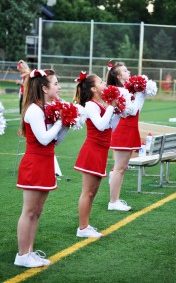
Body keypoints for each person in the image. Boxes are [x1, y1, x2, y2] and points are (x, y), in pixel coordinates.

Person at [14, 69, 68, 268]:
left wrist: (66, 125)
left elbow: (55, 141)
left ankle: (28, 251)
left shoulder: (45, 109)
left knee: (37, 211)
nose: (59, 87)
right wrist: (61, 120)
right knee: (29, 211)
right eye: (55, 84)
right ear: (45, 88)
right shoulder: (34, 110)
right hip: (35, 164)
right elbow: (44, 139)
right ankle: (22, 255)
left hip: (46, 162)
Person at [74, 72, 118, 238]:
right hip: (92, 151)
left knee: (93, 192)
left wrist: (116, 109)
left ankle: (85, 225)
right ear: (93, 88)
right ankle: (82, 228)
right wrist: (112, 106)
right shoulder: (91, 105)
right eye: (100, 81)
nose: (104, 83)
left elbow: (110, 127)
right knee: (88, 192)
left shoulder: (102, 105)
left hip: (101, 151)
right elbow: (100, 126)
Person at [107, 62, 146, 211]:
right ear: (118, 76)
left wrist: (141, 95)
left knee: (121, 168)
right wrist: (142, 94)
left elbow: (136, 110)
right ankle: (113, 202)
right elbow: (130, 111)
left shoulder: (124, 90)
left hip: (129, 129)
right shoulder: (120, 91)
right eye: (125, 70)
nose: (128, 71)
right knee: (119, 168)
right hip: (124, 131)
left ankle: (115, 200)